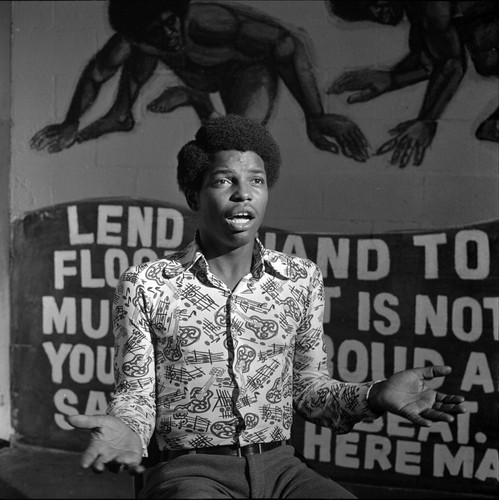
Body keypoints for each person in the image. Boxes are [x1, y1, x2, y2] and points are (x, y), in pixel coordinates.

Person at [67, 114, 466, 498]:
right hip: (188, 473)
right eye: (225, 181)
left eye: (256, 180)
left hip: (280, 469)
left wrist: (376, 394)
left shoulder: (300, 279)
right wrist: (128, 429)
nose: (243, 193)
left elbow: (309, 390)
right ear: (193, 194)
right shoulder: (147, 284)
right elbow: (136, 393)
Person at [30, 0, 369, 162]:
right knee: (142, 52)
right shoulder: (134, 40)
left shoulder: (211, 23)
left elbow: (286, 47)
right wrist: (71, 121)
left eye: (170, 23)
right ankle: (122, 113)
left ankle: (194, 97)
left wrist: (315, 115)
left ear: (177, 13)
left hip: (245, 73)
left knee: (235, 145)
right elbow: (96, 74)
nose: (170, 34)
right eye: (157, 31)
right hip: (196, 69)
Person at [327, 1, 499, 168]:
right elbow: (431, 60)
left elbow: (451, 65)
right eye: (365, 15)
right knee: (485, 53)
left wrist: (426, 120)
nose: (376, 14)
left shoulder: (430, 7)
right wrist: (392, 79)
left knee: (487, 54)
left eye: (372, 4)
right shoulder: (418, 10)